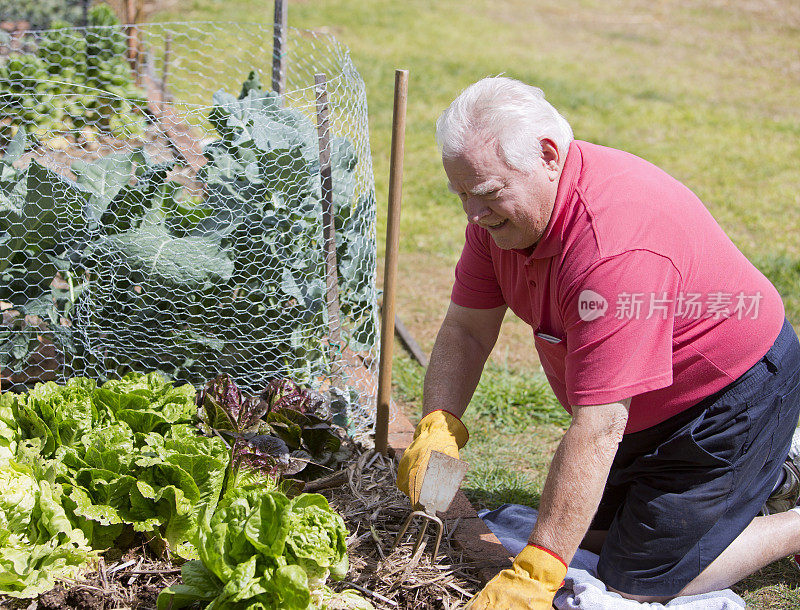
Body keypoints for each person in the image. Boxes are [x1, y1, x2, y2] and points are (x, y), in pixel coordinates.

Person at [395, 76, 800, 609]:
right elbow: (467, 329)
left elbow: (598, 425)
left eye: (487, 193)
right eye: (462, 194)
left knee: (642, 580)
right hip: (643, 407)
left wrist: (538, 575)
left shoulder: (612, 250)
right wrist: (438, 423)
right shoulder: (499, 224)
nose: (472, 214)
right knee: (592, 533)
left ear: (547, 156)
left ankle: (791, 517)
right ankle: (770, 476)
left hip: (729, 398)